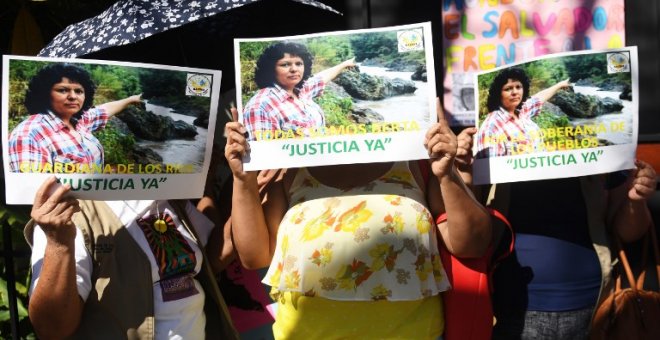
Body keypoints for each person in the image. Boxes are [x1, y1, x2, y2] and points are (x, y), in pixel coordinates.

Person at [225, 101, 492, 339]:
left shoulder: (417, 162)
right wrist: (242, 178)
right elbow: (254, 257)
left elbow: (472, 244)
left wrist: (448, 174)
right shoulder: (289, 168)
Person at [453, 127, 657, 339]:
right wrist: (462, 166)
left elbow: (628, 233)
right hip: (514, 306)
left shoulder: (600, 145)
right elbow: (468, 228)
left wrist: (637, 199)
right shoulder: (491, 144)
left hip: (593, 305)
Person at [25, 176, 238, 339]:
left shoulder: (166, 195)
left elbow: (214, 256)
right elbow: (51, 328)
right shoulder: (69, 216)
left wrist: (243, 179)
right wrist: (59, 244)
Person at [8, 63, 142, 173]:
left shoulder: (78, 121)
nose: (73, 96)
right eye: (63, 90)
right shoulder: (29, 134)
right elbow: (31, 192)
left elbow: (104, 110)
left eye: (79, 91)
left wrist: (130, 99)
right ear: (44, 94)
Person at [242, 42, 356, 141]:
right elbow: (263, 158)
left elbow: (321, 78)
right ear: (270, 69)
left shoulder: (301, 91)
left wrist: (345, 64)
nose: (294, 69)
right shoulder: (260, 107)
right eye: (285, 64)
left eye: (299, 64)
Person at [475, 67, 570, 158]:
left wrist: (560, 85)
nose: (515, 92)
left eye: (518, 87)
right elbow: (492, 170)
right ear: (498, 94)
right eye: (508, 89)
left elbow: (539, 98)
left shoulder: (522, 111)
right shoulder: (491, 128)